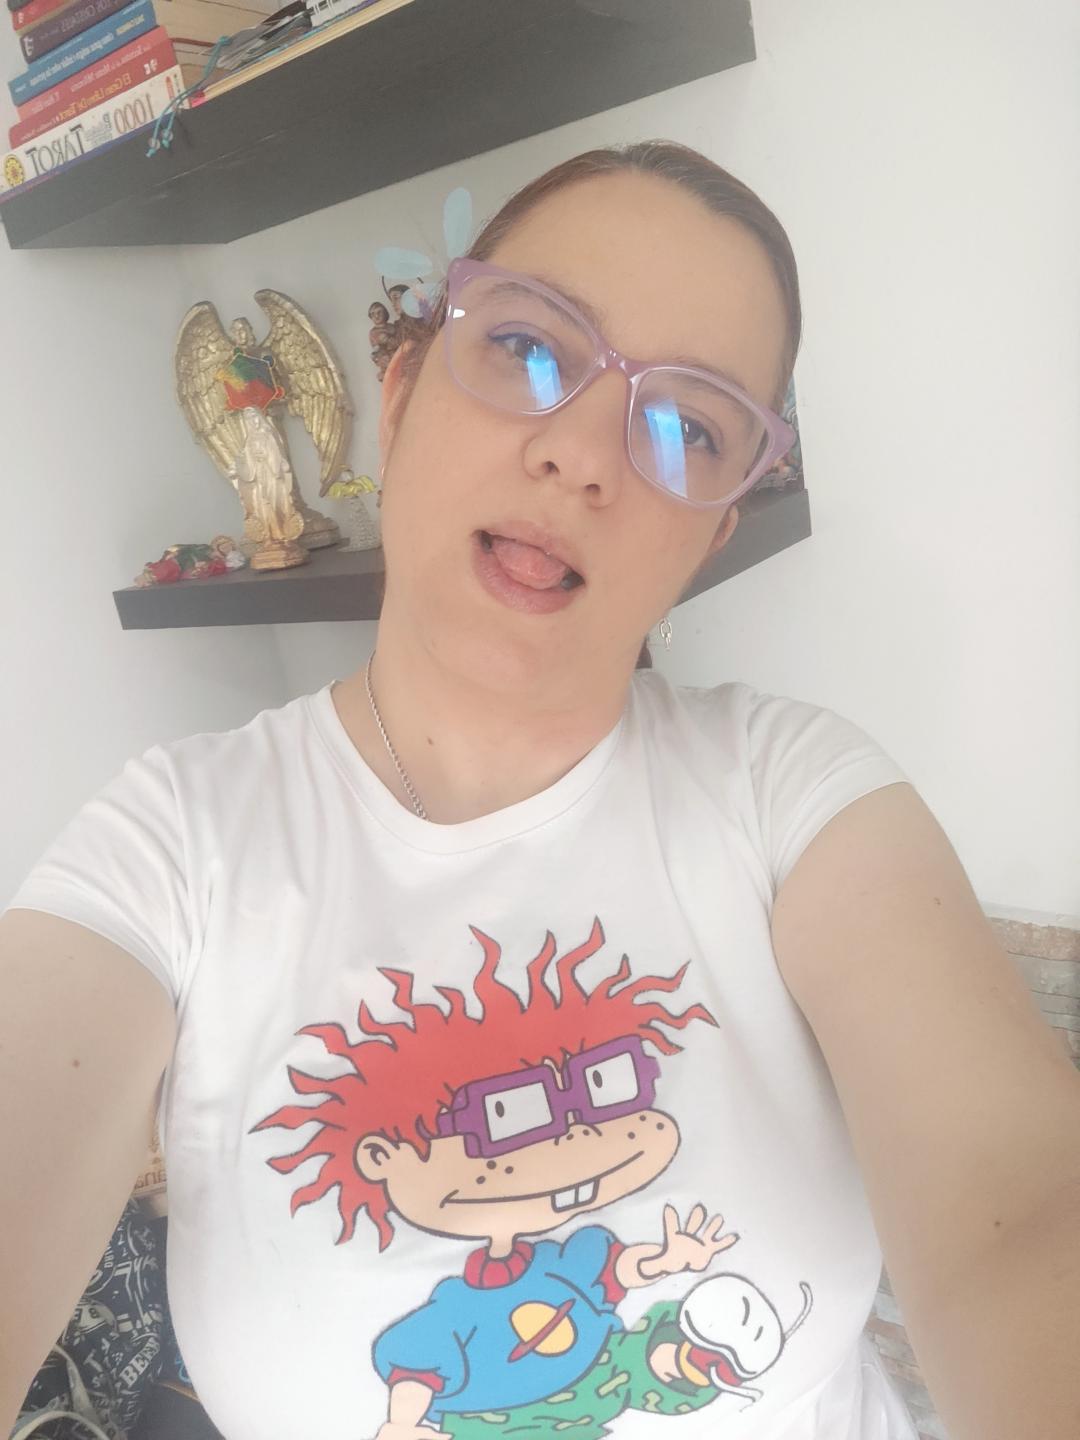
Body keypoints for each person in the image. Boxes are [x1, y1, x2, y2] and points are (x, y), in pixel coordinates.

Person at [2, 140, 1074, 1440]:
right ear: (402, 394)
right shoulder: (173, 843)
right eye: (528, 349)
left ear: (707, 537)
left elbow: (1024, 1210)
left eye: (686, 426)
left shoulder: (794, 793)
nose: (583, 455)